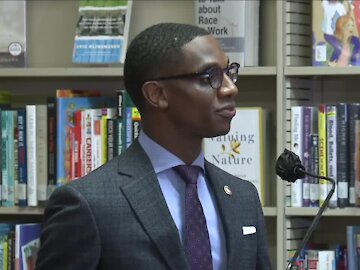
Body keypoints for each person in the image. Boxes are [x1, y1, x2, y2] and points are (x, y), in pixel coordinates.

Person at [35, 23, 272, 270]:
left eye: (229, 72)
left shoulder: (242, 196)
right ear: (156, 94)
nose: (230, 88)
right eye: (209, 77)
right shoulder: (88, 204)